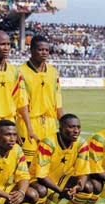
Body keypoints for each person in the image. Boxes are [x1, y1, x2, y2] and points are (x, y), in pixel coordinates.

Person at [29, 114, 93, 204]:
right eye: (71, 127)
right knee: (41, 190)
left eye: (78, 127)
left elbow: (83, 171)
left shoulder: (81, 144)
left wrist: (79, 185)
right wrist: (60, 191)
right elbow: (41, 176)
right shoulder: (47, 143)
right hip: (36, 179)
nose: (76, 131)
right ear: (61, 128)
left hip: (60, 179)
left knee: (88, 187)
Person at [17, 35, 63, 165]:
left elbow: (58, 102)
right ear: (31, 50)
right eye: (40, 49)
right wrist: (29, 128)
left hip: (49, 125)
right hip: (28, 124)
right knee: (28, 164)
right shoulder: (20, 72)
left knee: (49, 163)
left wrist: (64, 123)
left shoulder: (53, 72)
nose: (44, 53)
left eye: (47, 50)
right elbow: (21, 103)